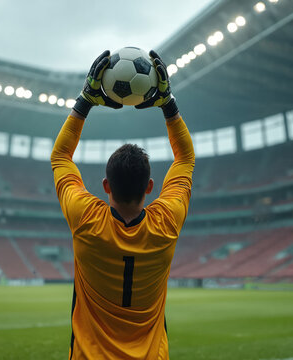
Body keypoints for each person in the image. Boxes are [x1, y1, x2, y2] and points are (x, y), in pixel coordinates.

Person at [51, 50, 194, 359]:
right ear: (150, 187)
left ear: (105, 187)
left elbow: (61, 156)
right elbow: (185, 158)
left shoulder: (86, 217)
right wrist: (167, 103)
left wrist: (86, 99)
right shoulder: (166, 221)